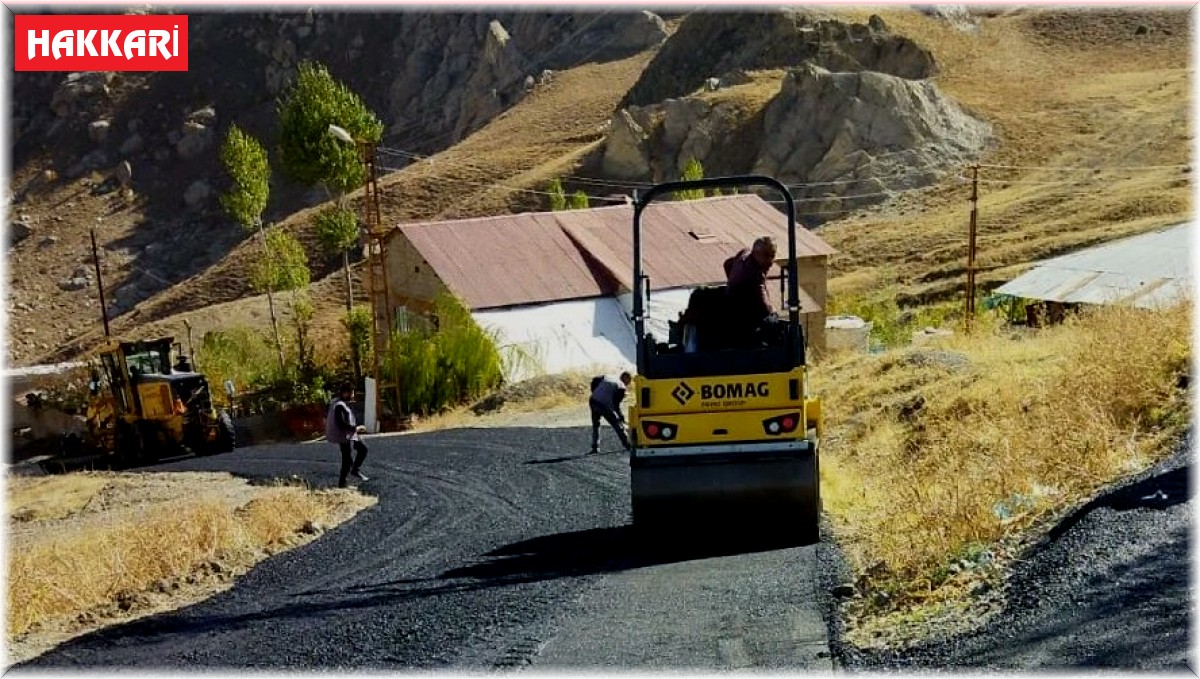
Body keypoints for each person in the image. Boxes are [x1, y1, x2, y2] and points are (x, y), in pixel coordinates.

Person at [326, 384, 369, 488]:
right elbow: (341, 423)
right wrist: (356, 429)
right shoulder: (339, 405)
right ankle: (342, 483)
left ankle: (354, 470)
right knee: (347, 459)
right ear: (345, 393)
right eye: (352, 393)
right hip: (344, 435)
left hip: (348, 435)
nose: (353, 395)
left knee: (361, 449)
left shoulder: (338, 403)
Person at [589, 371, 633, 454]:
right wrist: (621, 416)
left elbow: (595, 380)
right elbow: (616, 405)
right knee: (617, 424)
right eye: (629, 381)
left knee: (596, 425)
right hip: (603, 405)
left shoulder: (608, 376)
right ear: (625, 378)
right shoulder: (621, 386)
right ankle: (628, 445)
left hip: (593, 400)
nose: (629, 383)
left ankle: (595, 447)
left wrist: (595, 393)